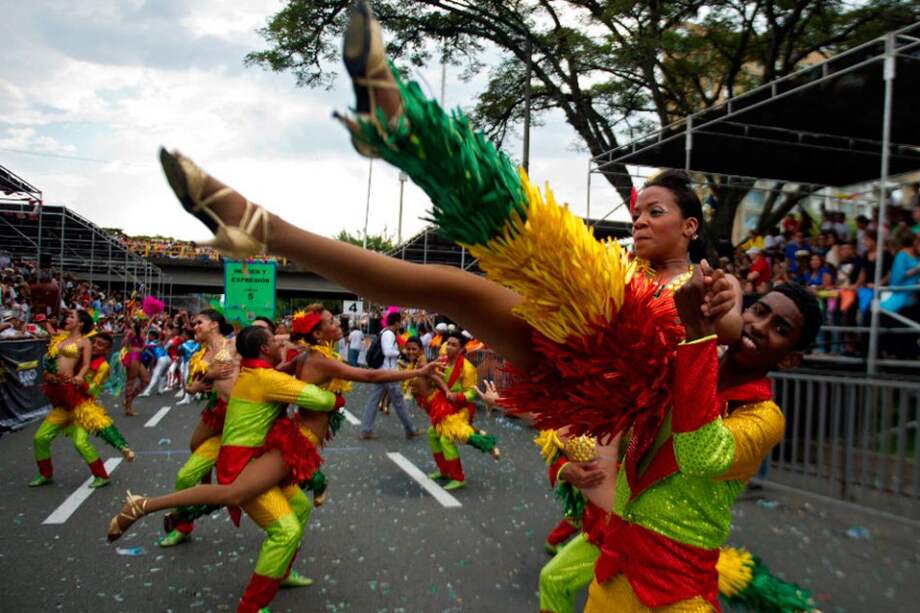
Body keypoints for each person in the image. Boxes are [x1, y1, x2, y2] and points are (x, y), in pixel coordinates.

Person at [581, 277, 822, 611]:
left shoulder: (767, 418)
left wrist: (698, 335)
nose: (758, 326)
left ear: (789, 360)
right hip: (611, 575)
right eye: (758, 311)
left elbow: (699, 454)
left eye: (780, 328)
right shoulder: (677, 364)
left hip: (678, 595)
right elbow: (626, 441)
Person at [108, 326, 343, 613]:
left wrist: (301, 359)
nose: (196, 327)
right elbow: (314, 397)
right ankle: (166, 516)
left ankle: (278, 571)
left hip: (257, 446)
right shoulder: (236, 359)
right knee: (206, 483)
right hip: (236, 448)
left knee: (298, 508)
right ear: (261, 348)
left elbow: (282, 358)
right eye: (272, 339)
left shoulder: (247, 361)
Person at [158, 309, 237, 548]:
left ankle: (288, 531)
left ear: (214, 325)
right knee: (186, 472)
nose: (194, 327)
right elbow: (192, 389)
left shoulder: (234, 345)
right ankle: (183, 526)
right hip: (217, 415)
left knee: (274, 480)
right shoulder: (200, 354)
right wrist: (205, 379)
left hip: (246, 421)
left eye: (199, 323)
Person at [30, 314, 134, 487]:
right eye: (95, 343)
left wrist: (79, 382)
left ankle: (102, 475)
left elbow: (94, 389)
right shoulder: (75, 350)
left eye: (101, 346)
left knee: (80, 442)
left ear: (106, 351)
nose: (96, 347)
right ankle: (45, 474)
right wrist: (51, 377)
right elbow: (56, 361)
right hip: (64, 406)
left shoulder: (103, 367)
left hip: (83, 408)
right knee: (40, 438)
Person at [410, 370, 499, 491]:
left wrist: (452, 394)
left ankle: (487, 446)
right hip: (445, 414)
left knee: (453, 437)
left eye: (415, 386)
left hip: (459, 410)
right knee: (432, 433)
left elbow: (471, 393)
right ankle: (445, 470)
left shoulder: (466, 367)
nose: (412, 389)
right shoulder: (440, 366)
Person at [360, 311, 422, 440]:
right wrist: (399, 352)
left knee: (374, 400)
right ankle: (410, 429)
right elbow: (388, 351)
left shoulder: (384, 332)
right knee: (398, 402)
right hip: (388, 372)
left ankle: (366, 429)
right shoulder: (388, 334)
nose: (402, 324)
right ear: (397, 322)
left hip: (382, 371)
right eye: (401, 321)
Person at [120, 319, 149, 416]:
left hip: (138, 357)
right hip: (133, 357)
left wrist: (154, 316)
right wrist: (128, 336)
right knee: (130, 381)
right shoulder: (131, 332)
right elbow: (123, 344)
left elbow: (148, 326)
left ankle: (128, 399)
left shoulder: (142, 331)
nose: (146, 322)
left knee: (145, 381)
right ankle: (128, 408)